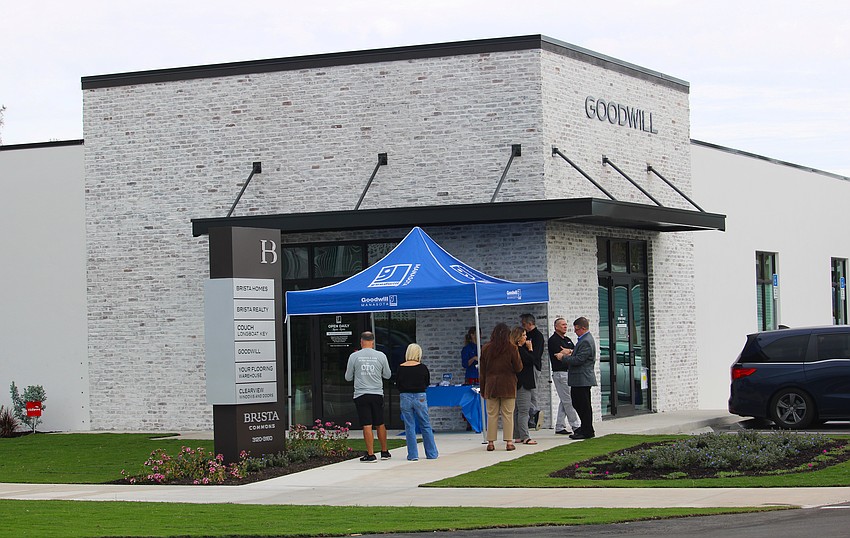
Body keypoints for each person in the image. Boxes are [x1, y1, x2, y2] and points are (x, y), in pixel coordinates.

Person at [344, 331, 393, 462]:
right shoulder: (381, 356)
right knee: (380, 423)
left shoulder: (354, 356)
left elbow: (348, 377)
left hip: (361, 394)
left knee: (367, 424)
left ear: (361, 341)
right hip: (377, 393)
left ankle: (371, 454)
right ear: (373, 342)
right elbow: (387, 375)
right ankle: (384, 451)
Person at [479, 322, 522, 452]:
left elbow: (482, 371)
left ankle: (490, 442)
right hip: (508, 385)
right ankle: (509, 442)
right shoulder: (512, 348)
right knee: (508, 414)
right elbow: (518, 367)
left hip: (491, 385)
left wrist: (483, 388)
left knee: (491, 414)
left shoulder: (486, 348)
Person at [396, 343, 439, 461]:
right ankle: (431, 453)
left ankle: (413, 454)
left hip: (405, 396)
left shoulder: (401, 367)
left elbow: (398, 384)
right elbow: (426, 382)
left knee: (409, 426)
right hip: (420, 396)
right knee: (425, 424)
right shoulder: (422, 368)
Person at [561, 317, 597, 440]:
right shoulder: (583, 340)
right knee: (578, 403)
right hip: (579, 379)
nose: (575, 331)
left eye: (576, 329)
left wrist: (563, 358)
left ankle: (587, 430)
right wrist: (571, 352)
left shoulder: (586, 340)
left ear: (583, 328)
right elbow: (579, 354)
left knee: (583, 405)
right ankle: (585, 427)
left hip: (582, 379)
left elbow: (579, 360)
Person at [549, 317, 581, 435]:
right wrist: (567, 352)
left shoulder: (567, 339)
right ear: (556, 327)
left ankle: (559, 426)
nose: (565, 327)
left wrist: (567, 351)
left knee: (564, 400)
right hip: (560, 373)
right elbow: (558, 355)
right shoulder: (553, 340)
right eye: (562, 325)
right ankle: (576, 426)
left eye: (566, 325)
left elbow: (575, 351)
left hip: (569, 372)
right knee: (569, 401)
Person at [511, 325, 537, 445]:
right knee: (523, 411)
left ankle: (517, 435)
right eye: (524, 335)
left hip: (518, 383)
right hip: (523, 383)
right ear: (518, 338)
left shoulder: (516, 350)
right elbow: (532, 360)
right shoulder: (520, 350)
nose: (526, 338)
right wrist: (531, 349)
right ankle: (525, 436)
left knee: (517, 411)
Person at [520, 313, 545, 430]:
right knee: (527, 392)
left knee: (532, 392)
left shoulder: (537, 336)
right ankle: (531, 415)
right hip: (526, 367)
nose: (522, 326)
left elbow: (536, 355)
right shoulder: (528, 336)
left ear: (530, 324)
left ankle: (534, 415)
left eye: (524, 324)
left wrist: (528, 349)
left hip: (533, 366)